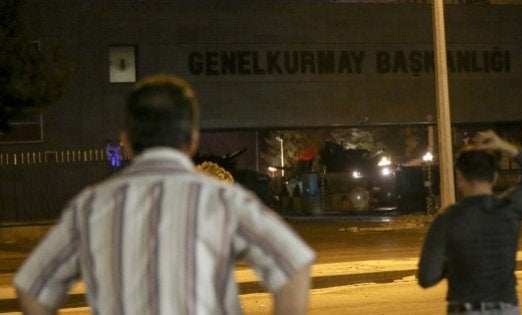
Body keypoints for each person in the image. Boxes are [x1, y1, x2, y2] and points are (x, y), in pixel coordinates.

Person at [13, 74, 315, 315]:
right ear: (192, 140)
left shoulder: (90, 207)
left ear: (126, 141)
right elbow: (293, 266)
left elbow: (32, 287)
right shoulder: (224, 200)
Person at [417, 130, 522, 315]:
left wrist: (453, 264)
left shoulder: (445, 220)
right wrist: (502, 144)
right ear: (494, 177)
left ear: (460, 178)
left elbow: (427, 278)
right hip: (506, 308)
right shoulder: (510, 210)